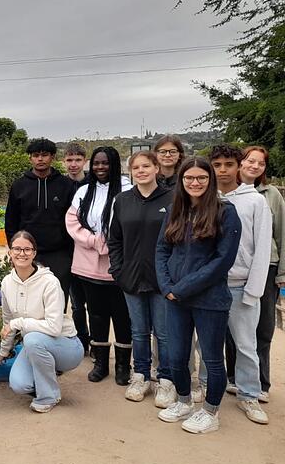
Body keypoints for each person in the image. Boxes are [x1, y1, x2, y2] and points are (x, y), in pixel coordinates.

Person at [155, 157, 241, 434]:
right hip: (176, 300)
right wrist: (167, 287)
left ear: (210, 180)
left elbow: (221, 261)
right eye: (189, 178)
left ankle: (210, 412)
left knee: (212, 359)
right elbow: (162, 250)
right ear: (181, 181)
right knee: (177, 357)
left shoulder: (226, 213)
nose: (195, 183)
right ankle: (183, 401)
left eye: (201, 178)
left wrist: (181, 289)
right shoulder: (174, 211)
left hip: (210, 300)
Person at [209, 144, 272, 425]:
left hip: (240, 284)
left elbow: (262, 249)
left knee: (246, 344)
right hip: (208, 285)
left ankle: (249, 394)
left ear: (239, 167)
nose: (222, 170)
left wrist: (254, 290)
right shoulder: (204, 197)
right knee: (207, 345)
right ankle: (207, 388)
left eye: (228, 165)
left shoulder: (256, 201)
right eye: (217, 165)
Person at [108, 151, 175, 405]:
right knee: (138, 331)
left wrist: (172, 274)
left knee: (164, 332)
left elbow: (179, 239)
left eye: (146, 166)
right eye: (136, 167)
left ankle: (166, 379)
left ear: (157, 168)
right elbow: (115, 238)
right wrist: (118, 269)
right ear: (130, 172)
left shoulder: (173, 198)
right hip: (131, 277)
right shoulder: (123, 200)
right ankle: (141, 375)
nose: (141, 171)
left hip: (162, 278)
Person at [65, 146, 133, 385]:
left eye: (105, 163)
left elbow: (132, 223)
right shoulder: (84, 191)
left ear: (114, 164)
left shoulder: (128, 190)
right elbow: (72, 221)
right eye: (96, 163)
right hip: (88, 263)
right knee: (97, 314)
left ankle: (124, 365)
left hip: (118, 265)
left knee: (122, 316)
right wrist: (93, 240)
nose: (100, 167)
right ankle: (101, 363)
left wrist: (112, 242)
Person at [0, 231, 84, 413]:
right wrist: (3, 352)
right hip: (36, 345)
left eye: (27, 249)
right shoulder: (7, 283)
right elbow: (8, 320)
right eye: (17, 249)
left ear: (34, 253)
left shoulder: (49, 282)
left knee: (32, 340)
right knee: (19, 385)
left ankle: (48, 396)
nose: (22, 254)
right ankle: (47, 371)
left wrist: (18, 323)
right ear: (9, 252)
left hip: (67, 346)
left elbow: (53, 327)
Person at [236, 145, 285, 403]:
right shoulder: (226, 193)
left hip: (267, 267)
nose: (254, 166)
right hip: (236, 268)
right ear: (240, 163)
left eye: (260, 163)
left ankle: (261, 382)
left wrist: (281, 273)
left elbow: (282, 234)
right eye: (249, 161)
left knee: (263, 327)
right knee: (234, 327)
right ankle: (235, 378)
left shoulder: (270, 194)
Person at [5, 138, 76, 309]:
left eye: (45, 155)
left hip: (59, 254)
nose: (40, 159)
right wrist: (14, 251)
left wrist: (70, 253)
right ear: (30, 158)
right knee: (28, 303)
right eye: (36, 155)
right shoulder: (19, 185)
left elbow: (74, 220)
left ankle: (55, 335)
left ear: (52, 157)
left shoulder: (66, 185)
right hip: (28, 254)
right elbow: (11, 221)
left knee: (57, 303)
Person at [63, 142, 91, 352]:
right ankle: (82, 339)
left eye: (78, 160)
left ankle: (97, 343)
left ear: (85, 161)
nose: (74, 164)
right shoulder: (60, 185)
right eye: (70, 160)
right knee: (75, 303)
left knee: (94, 302)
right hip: (67, 252)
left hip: (90, 251)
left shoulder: (94, 184)